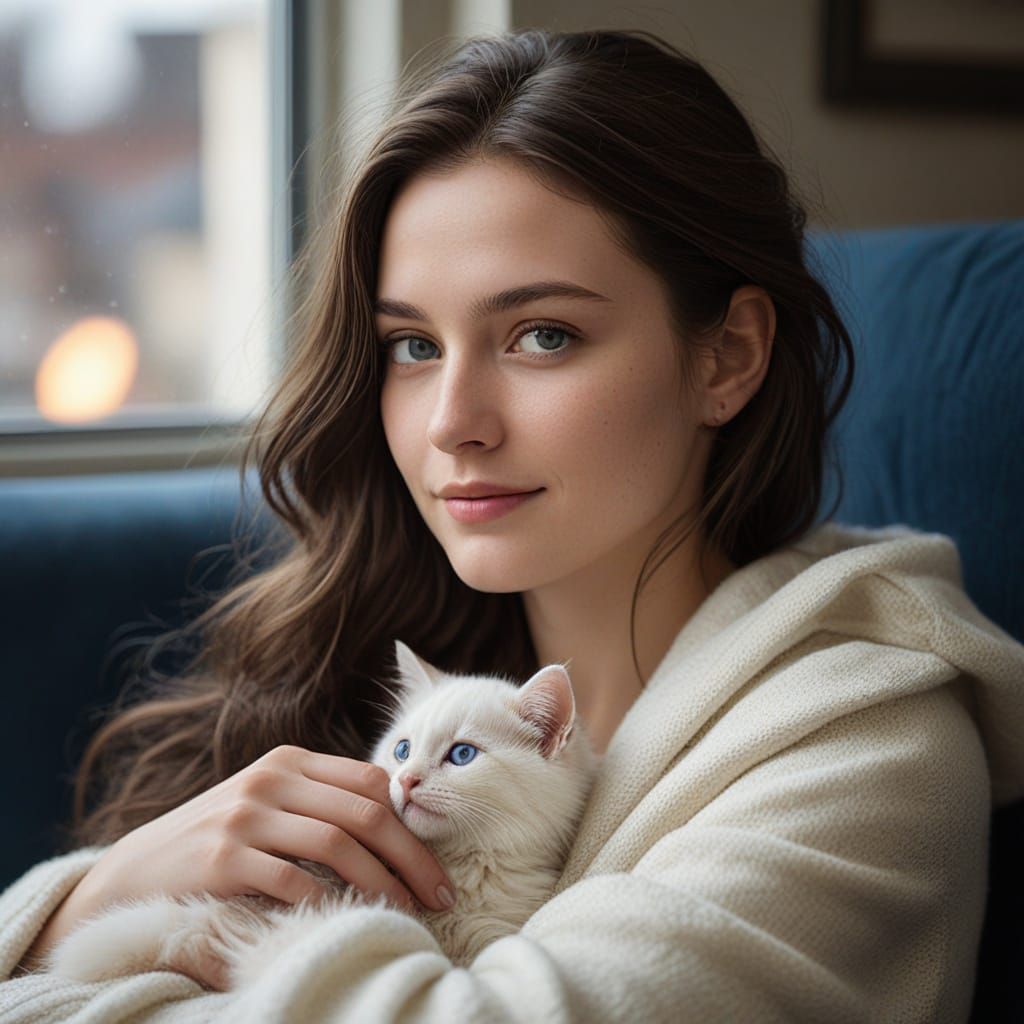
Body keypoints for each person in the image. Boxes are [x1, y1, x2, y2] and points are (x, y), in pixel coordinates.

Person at [2, 25, 1023, 1022]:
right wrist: (93, 899)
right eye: (410, 344)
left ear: (726, 356)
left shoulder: (866, 748)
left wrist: (175, 944)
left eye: (542, 334)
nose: (452, 424)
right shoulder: (398, 699)